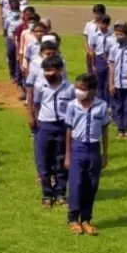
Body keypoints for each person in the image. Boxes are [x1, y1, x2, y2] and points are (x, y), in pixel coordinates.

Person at [64, 73, 108, 236]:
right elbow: (68, 130)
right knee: (76, 184)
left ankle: (86, 219)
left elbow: (104, 130)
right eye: (77, 87)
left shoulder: (102, 106)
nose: (78, 91)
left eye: (82, 88)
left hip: (94, 149)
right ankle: (73, 219)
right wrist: (68, 155)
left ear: (92, 90)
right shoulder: (72, 106)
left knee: (92, 185)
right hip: (77, 148)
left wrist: (105, 154)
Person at [30, 55, 74, 208]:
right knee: (43, 161)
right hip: (45, 126)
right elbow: (36, 104)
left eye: (50, 70)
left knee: (62, 161)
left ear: (60, 70)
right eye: (45, 71)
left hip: (62, 126)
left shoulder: (69, 88)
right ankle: (47, 194)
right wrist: (36, 120)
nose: (47, 74)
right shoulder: (40, 86)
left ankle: (61, 193)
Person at [108, 22, 127, 139]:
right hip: (117, 83)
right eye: (117, 34)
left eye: (121, 34)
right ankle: (120, 129)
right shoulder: (114, 49)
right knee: (118, 107)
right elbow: (112, 66)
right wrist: (111, 83)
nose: (119, 36)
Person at [88, 15, 112, 102]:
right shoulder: (95, 36)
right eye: (100, 24)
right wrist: (93, 64)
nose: (102, 26)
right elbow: (93, 50)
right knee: (99, 83)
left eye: (104, 24)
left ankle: (108, 103)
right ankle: (99, 101)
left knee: (108, 82)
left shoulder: (112, 36)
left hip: (109, 59)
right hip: (99, 59)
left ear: (108, 24)